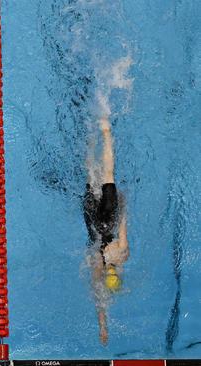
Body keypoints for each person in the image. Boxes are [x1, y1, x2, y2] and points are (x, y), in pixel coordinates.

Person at [83, 114, 129, 345]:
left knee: (97, 177)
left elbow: (100, 303)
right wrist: (123, 205)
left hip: (101, 220)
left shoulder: (114, 257)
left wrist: (103, 328)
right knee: (95, 178)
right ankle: (101, 133)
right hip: (102, 220)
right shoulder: (118, 255)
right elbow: (100, 303)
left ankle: (100, 134)